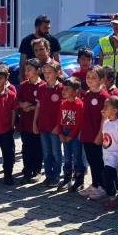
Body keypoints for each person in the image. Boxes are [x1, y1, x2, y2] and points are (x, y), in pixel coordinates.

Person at [79, 66, 109, 200]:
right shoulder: (87, 94)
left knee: (98, 161)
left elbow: (105, 117)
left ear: (101, 80)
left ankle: (102, 186)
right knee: (91, 160)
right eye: (88, 77)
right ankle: (95, 183)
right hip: (87, 133)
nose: (90, 80)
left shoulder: (103, 96)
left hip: (97, 134)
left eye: (94, 78)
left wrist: (100, 135)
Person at [34, 60, 64, 188]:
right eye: (45, 72)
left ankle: (56, 176)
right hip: (43, 126)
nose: (46, 75)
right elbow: (38, 106)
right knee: (46, 153)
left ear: (57, 73)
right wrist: (35, 123)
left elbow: (64, 109)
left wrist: (59, 126)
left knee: (56, 153)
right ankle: (48, 175)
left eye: (49, 72)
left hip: (55, 127)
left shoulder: (61, 88)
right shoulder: (41, 88)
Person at [17, 59, 45, 184]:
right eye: (25, 69)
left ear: (38, 71)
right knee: (26, 146)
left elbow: (46, 105)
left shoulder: (43, 86)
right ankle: (27, 169)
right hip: (25, 122)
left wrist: (34, 107)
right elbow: (16, 100)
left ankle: (37, 170)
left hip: (38, 122)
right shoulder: (23, 85)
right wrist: (22, 104)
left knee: (37, 147)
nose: (26, 72)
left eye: (29, 69)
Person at [100, 95, 118, 209]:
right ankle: (116, 193)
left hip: (114, 155)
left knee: (106, 175)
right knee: (112, 175)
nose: (104, 108)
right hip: (106, 153)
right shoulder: (106, 122)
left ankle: (112, 197)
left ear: (115, 110)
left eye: (106, 106)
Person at [58, 77, 86, 192]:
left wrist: (71, 135)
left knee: (78, 158)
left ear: (75, 92)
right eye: (63, 88)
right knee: (67, 157)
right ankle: (67, 179)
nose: (64, 91)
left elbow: (79, 122)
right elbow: (59, 119)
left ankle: (79, 181)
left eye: (67, 89)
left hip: (75, 135)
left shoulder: (80, 105)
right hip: (65, 132)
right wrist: (60, 133)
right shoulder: (63, 103)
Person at [18, 15, 61, 82]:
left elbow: (57, 60)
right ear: (37, 28)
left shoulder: (53, 40)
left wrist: (60, 76)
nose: (47, 31)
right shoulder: (26, 41)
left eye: (48, 28)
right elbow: (22, 62)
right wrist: (22, 77)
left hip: (48, 74)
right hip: (32, 74)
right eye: (45, 28)